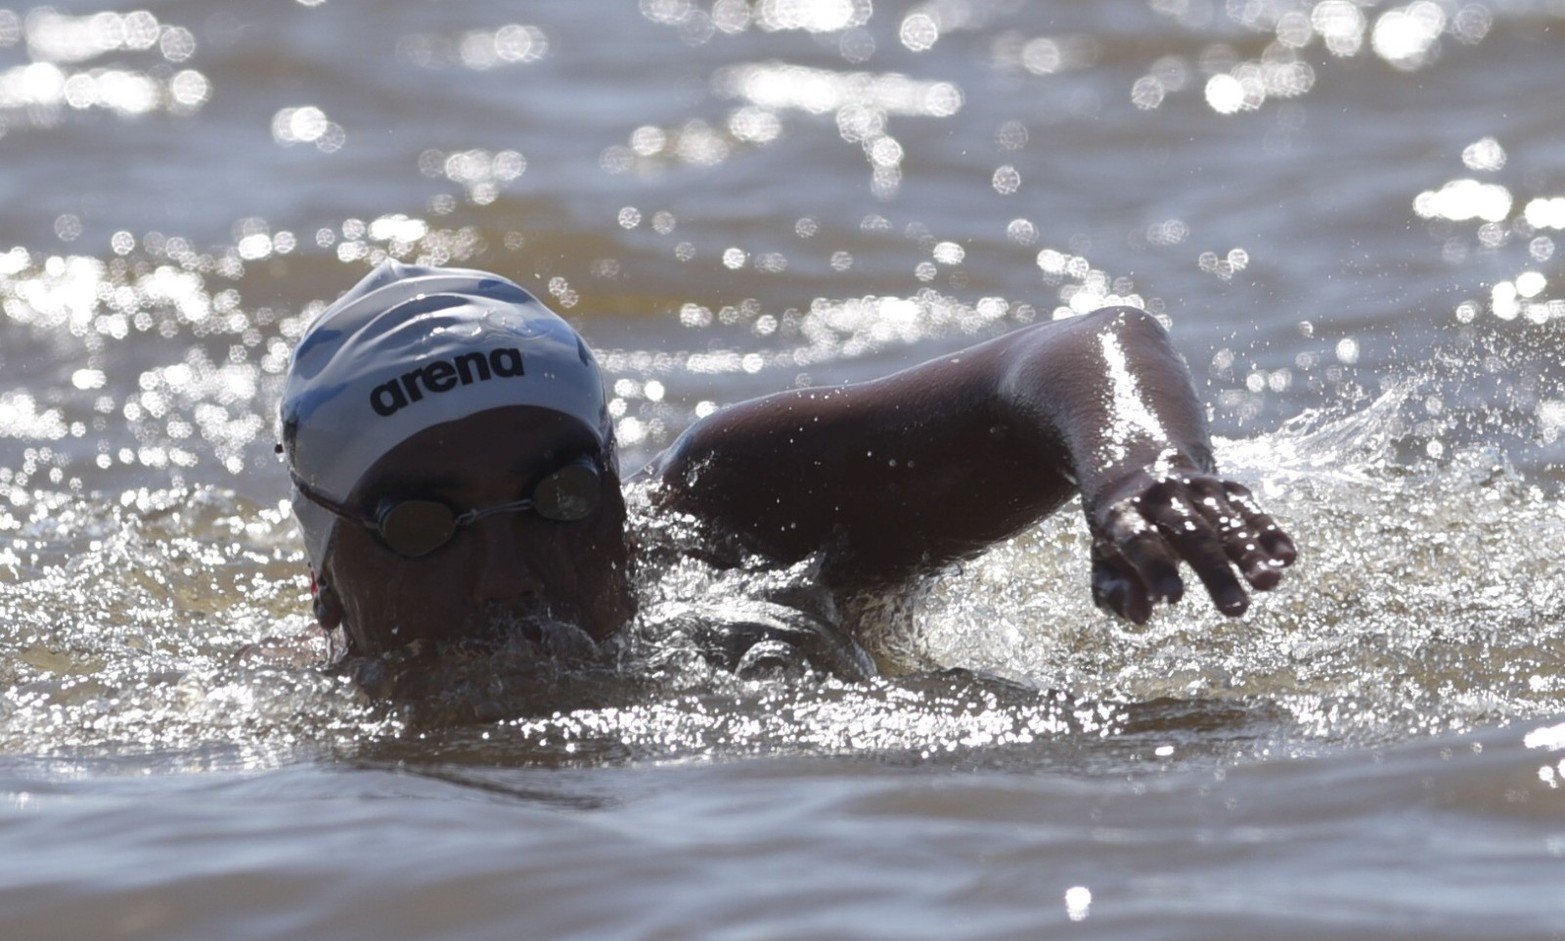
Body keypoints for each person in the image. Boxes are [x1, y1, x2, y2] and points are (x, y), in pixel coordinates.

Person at [278, 261, 1295, 662]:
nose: (508, 574)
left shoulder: (728, 530)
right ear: (328, 591)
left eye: (559, 497)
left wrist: (1134, 472)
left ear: (619, 501)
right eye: (425, 526)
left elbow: (1083, 343)